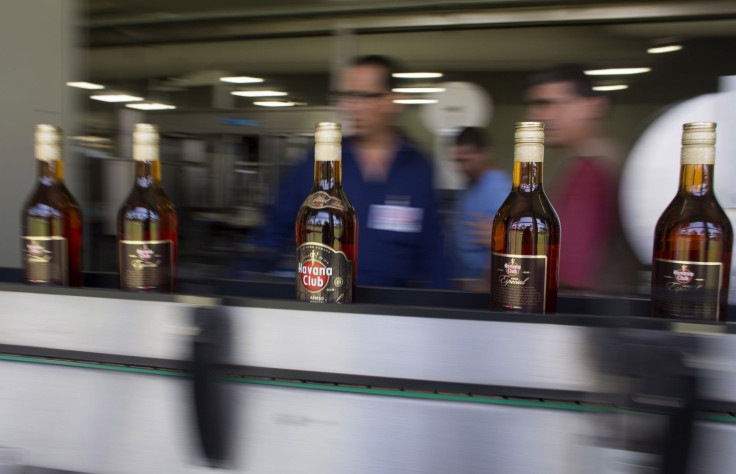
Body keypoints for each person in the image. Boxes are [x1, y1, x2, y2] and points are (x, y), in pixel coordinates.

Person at [233, 55, 448, 288]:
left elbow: (434, 254)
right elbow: (274, 232)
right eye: (347, 96)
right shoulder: (320, 163)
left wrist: (446, 311)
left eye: (364, 96)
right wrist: (239, 284)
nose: (351, 106)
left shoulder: (418, 169)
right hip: (329, 306)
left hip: (393, 311)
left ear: (391, 101)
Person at [524, 63, 638, 291]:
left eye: (549, 104)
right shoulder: (607, 156)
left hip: (585, 312)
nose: (536, 116)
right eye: (535, 106)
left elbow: (569, 270)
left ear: (593, 107)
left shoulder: (590, 167)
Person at [449, 127, 511, 290]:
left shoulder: (499, 189)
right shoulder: (469, 186)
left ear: (486, 153)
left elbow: (508, 245)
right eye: (458, 161)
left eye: (468, 159)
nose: (463, 167)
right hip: (464, 281)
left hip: (485, 286)